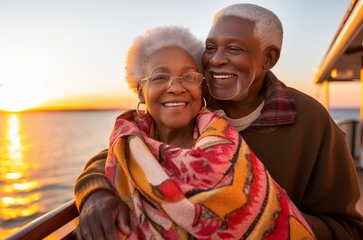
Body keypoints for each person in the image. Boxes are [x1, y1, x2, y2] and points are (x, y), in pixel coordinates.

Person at [74, 3, 363, 239]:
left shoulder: (310, 120)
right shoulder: (193, 104)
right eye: (210, 48)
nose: (215, 60)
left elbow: (348, 228)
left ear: (269, 58)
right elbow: (120, 155)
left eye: (234, 49)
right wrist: (95, 195)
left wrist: (265, 221)